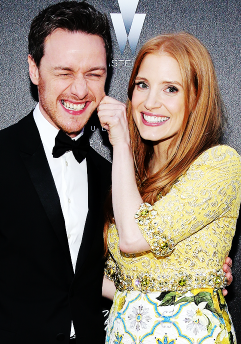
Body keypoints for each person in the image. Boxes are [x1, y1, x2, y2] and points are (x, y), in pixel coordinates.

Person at [98, 32, 241, 343]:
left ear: (196, 98)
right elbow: (117, 284)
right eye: (142, 85)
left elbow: (134, 239)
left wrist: (120, 143)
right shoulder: (130, 180)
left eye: (171, 89)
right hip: (124, 334)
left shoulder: (220, 164)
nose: (150, 102)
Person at [0, 2, 112, 344]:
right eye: (64, 72)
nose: (79, 90)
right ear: (34, 70)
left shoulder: (109, 175)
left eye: (94, 74)